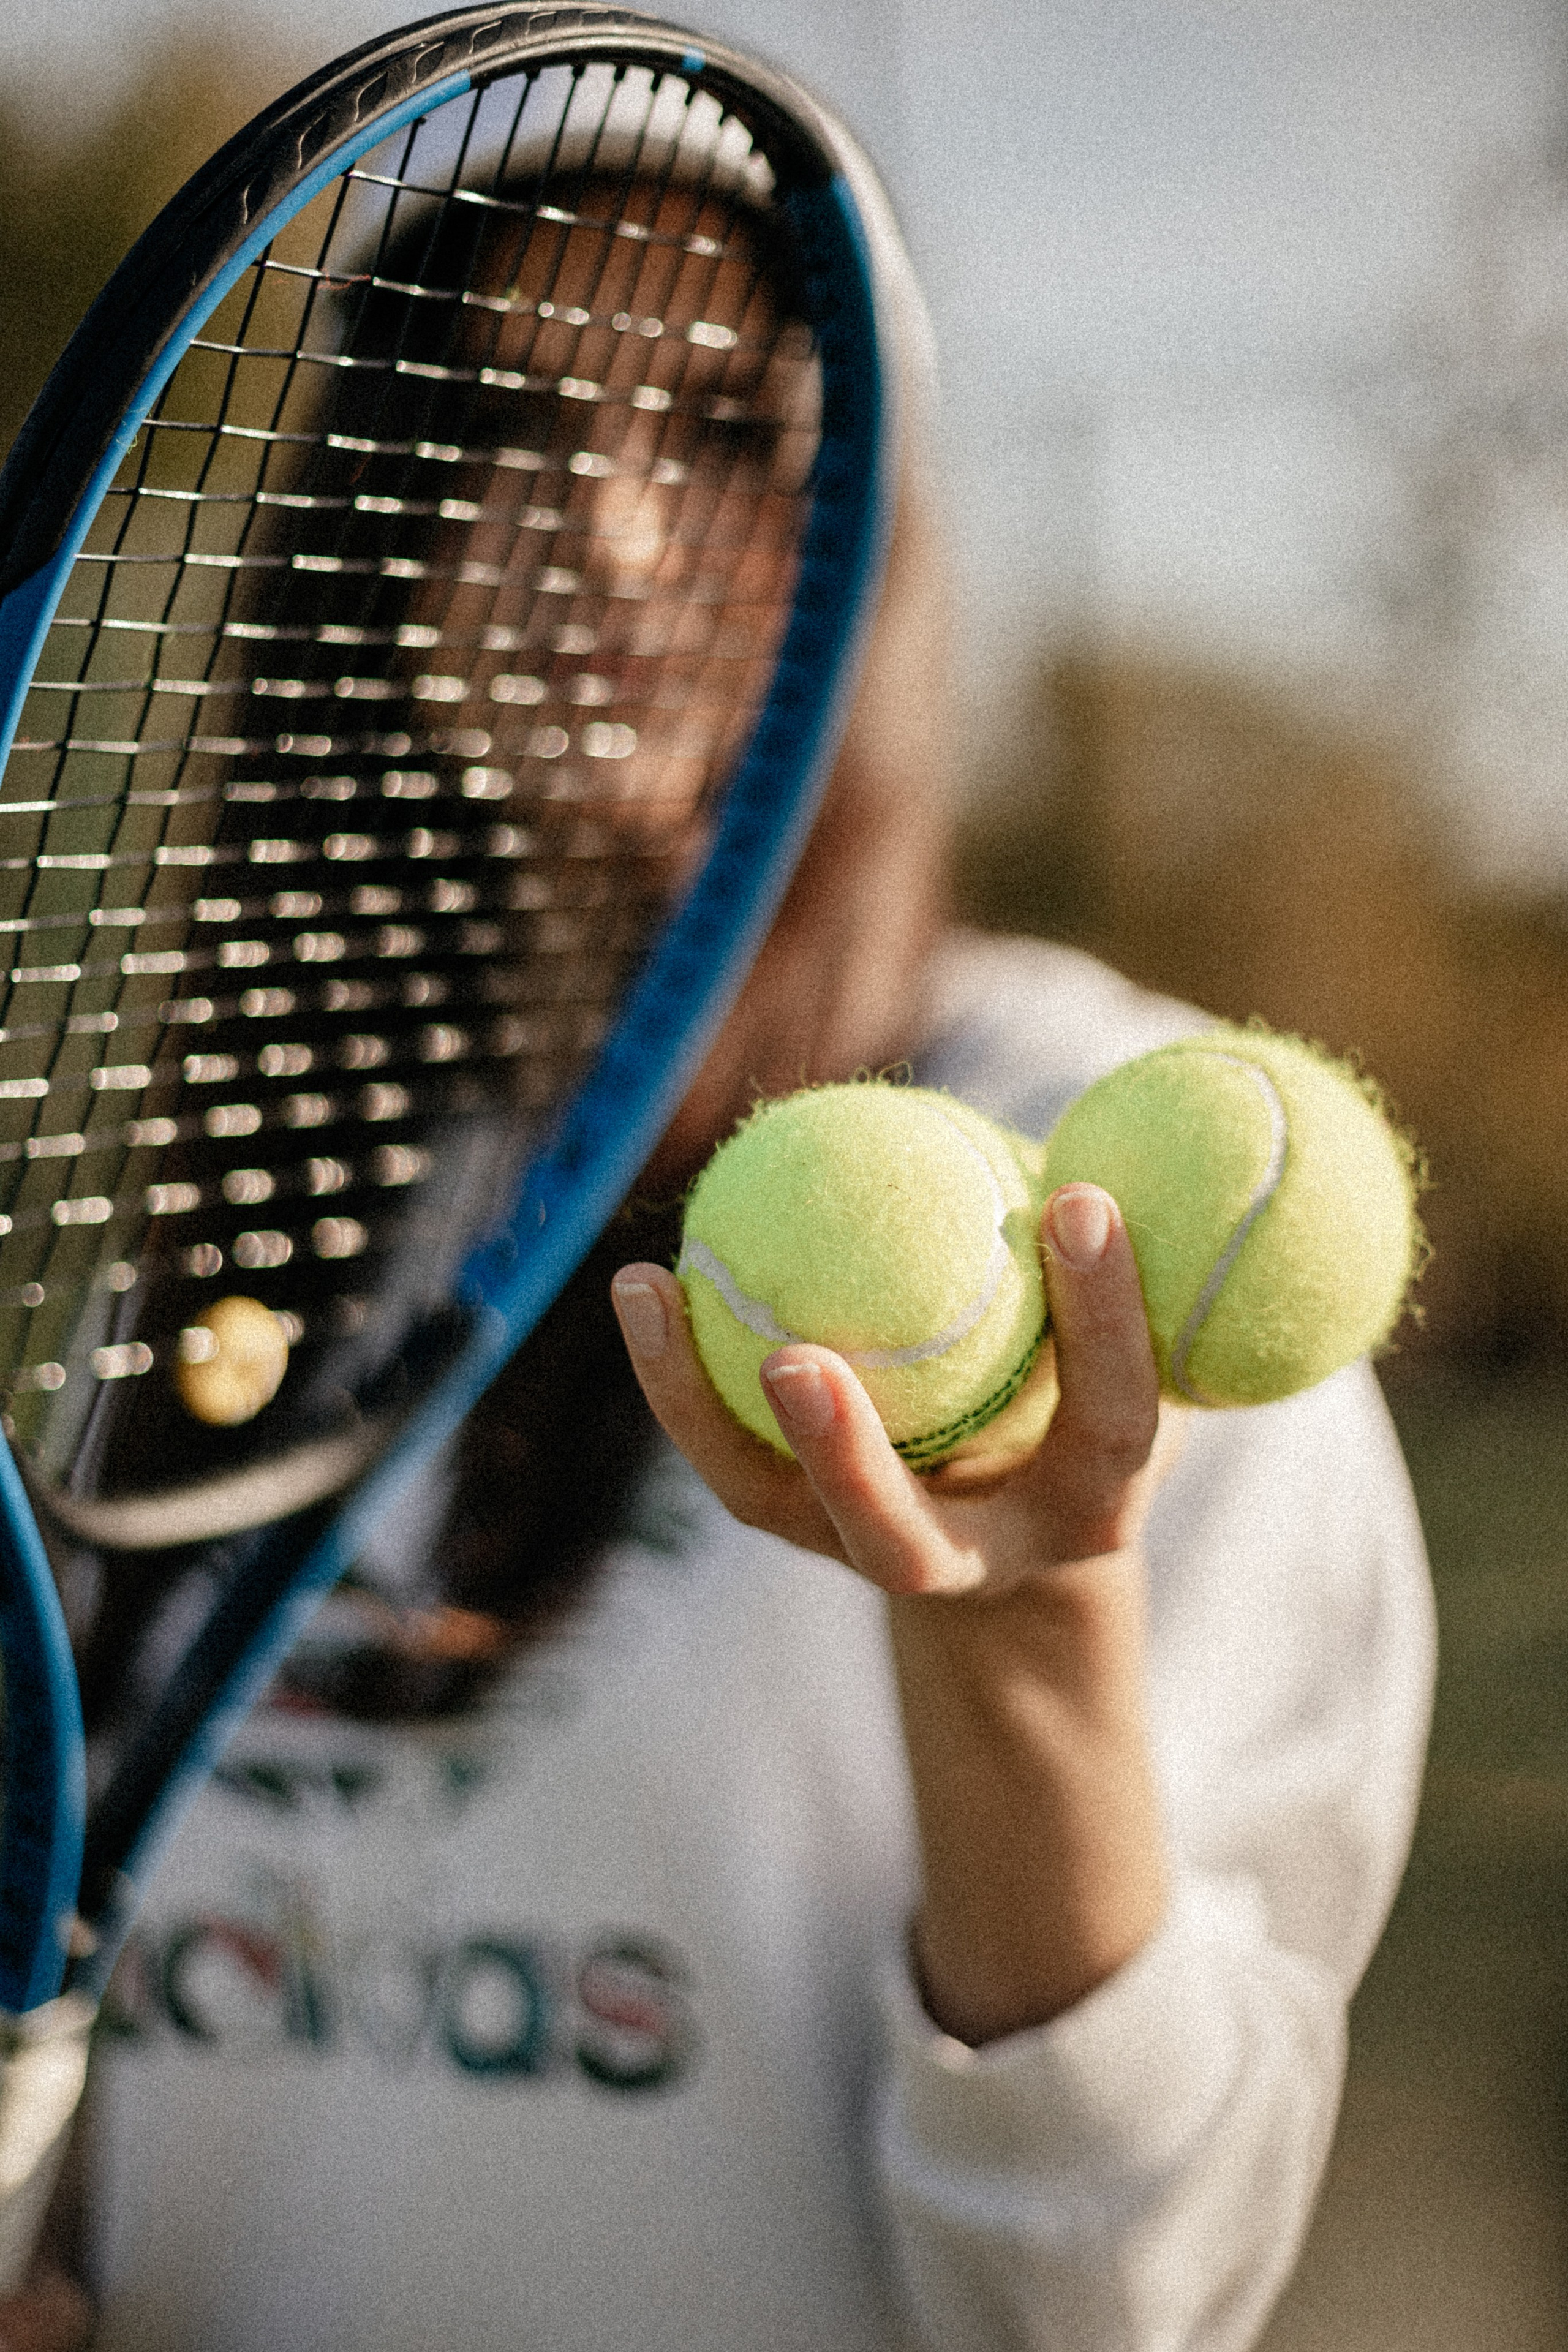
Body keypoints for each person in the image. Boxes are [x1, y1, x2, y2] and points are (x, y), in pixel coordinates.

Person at [0, 71, 1434, 2352]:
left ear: (875, 530)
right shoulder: (266, 1182)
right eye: (505, 428)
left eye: (718, 438)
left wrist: (1019, 1635)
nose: (606, 535)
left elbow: (1112, 2298)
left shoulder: (1094, 1171)